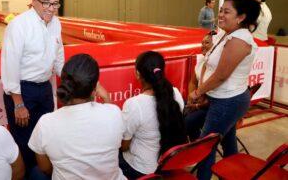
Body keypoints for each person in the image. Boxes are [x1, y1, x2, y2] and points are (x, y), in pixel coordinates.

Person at [188, 0, 260, 180]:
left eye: (226, 11)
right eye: (220, 10)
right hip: (219, 97)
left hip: (229, 101)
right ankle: (232, 175)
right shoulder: (224, 34)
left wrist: (198, 92)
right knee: (227, 140)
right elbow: (207, 61)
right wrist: (204, 90)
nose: (220, 14)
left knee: (205, 147)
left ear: (241, 17)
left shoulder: (240, 40)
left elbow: (221, 75)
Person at [1, 0, 64, 175]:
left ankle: (43, 174)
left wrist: (76, 82)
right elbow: (9, 64)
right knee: (25, 140)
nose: (51, 9)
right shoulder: (18, 25)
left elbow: (59, 58)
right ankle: (28, 174)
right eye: (46, 2)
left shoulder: (56, 23)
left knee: (46, 136)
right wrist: (18, 104)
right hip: (22, 91)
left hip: (45, 88)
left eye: (55, 4)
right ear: (33, 1)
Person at [28, 54, 126, 180]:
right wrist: (106, 97)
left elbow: (45, 168)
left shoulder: (45, 123)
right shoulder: (114, 113)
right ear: (95, 88)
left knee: (36, 172)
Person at [119, 51, 187, 179]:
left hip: (142, 169)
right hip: (169, 164)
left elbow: (124, 146)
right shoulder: (176, 94)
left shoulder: (134, 105)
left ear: (138, 74)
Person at [184, 31, 215, 141]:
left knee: (187, 123)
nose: (203, 46)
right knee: (174, 109)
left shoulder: (217, 66)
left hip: (210, 106)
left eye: (207, 43)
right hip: (198, 100)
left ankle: (191, 147)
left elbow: (213, 96)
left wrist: (197, 106)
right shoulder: (201, 61)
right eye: (202, 43)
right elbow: (193, 82)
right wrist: (190, 98)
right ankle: (195, 141)